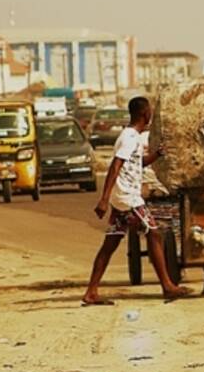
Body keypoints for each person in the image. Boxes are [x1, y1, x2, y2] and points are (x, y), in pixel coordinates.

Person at [82, 97, 192, 306]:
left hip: (122, 198)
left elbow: (136, 164)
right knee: (154, 233)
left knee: (110, 244)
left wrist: (157, 155)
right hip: (128, 198)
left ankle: (91, 292)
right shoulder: (130, 137)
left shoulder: (132, 137)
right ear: (144, 114)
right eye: (149, 111)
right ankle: (168, 286)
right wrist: (103, 200)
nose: (151, 114)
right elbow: (115, 166)